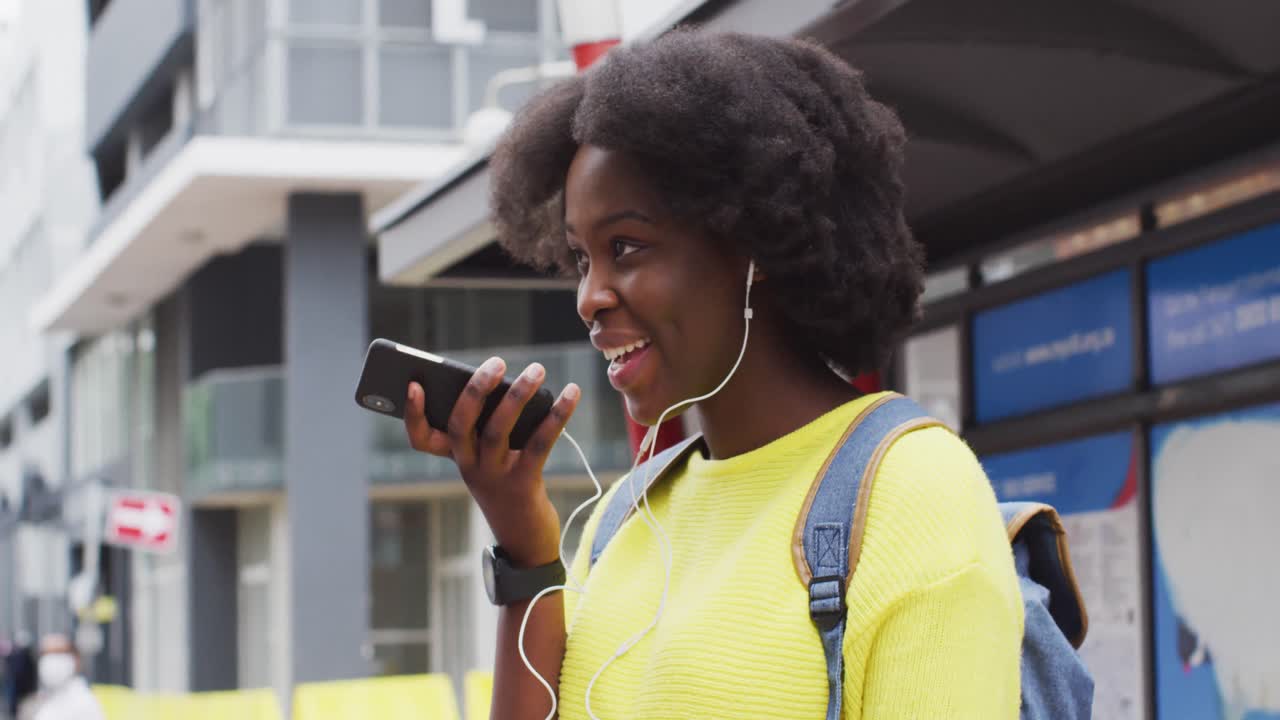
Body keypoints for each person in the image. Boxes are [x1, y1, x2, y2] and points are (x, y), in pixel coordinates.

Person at [403, 29, 1023, 719]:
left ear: (752, 246)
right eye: (582, 259)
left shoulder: (914, 492)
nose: (590, 296)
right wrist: (524, 542)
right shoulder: (622, 516)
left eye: (628, 247)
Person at [28, 635, 102, 720]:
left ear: (76, 659)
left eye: (58, 652)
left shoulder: (84, 703)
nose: (51, 660)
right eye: (46, 653)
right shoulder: (46, 698)